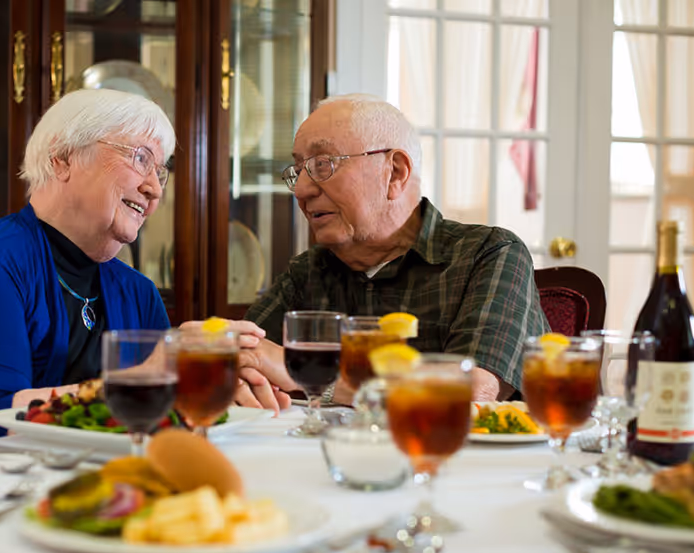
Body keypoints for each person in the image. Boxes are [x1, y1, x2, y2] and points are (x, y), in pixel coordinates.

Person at [0, 89, 176, 452]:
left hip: (84, 482)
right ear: (62, 159)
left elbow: (162, 416)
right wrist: (144, 380)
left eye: (160, 171)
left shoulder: (138, 292)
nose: (153, 188)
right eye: (140, 158)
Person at [234, 93, 548, 407]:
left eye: (322, 164)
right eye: (299, 170)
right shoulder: (306, 272)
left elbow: (467, 396)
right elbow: (246, 357)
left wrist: (302, 372)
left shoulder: (489, 254)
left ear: (395, 172)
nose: (301, 189)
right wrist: (216, 354)